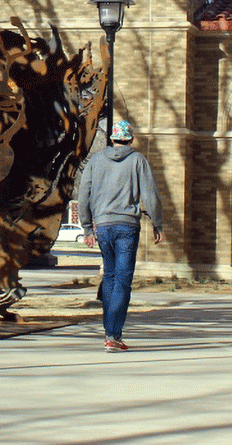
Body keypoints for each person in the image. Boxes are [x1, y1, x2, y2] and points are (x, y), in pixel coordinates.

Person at [77, 118, 164, 352]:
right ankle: (113, 335)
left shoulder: (95, 161)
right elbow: (150, 194)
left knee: (110, 276)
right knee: (122, 281)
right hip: (127, 227)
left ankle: (109, 333)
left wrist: (86, 227)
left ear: (112, 139)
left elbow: (83, 194)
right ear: (130, 139)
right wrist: (158, 223)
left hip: (103, 226)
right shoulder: (137, 160)